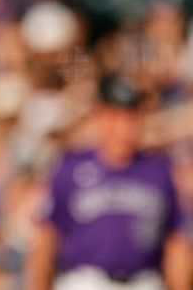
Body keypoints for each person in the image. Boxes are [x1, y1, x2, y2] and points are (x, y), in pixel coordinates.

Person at [26, 75, 192, 290]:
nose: (124, 128)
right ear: (100, 117)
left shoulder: (158, 170)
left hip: (143, 282)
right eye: (116, 117)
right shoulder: (71, 168)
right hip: (85, 282)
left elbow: (176, 243)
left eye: (131, 118)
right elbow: (46, 238)